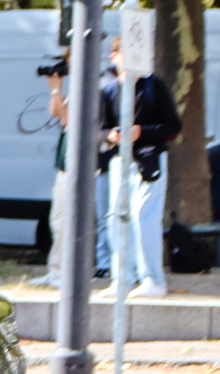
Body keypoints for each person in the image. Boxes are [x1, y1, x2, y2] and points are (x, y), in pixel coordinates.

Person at [42, 38, 180, 296]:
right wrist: (110, 136)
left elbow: (173, 126)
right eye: (122, 54)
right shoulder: (109, 90)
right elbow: (98, 129)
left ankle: (152, 279)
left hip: (150, 159)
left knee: (143, 217)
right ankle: (122, 278)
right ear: (114, 56)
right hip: (119, 161)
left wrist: (143, 132)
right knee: (117, 217)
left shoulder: (154, 87)